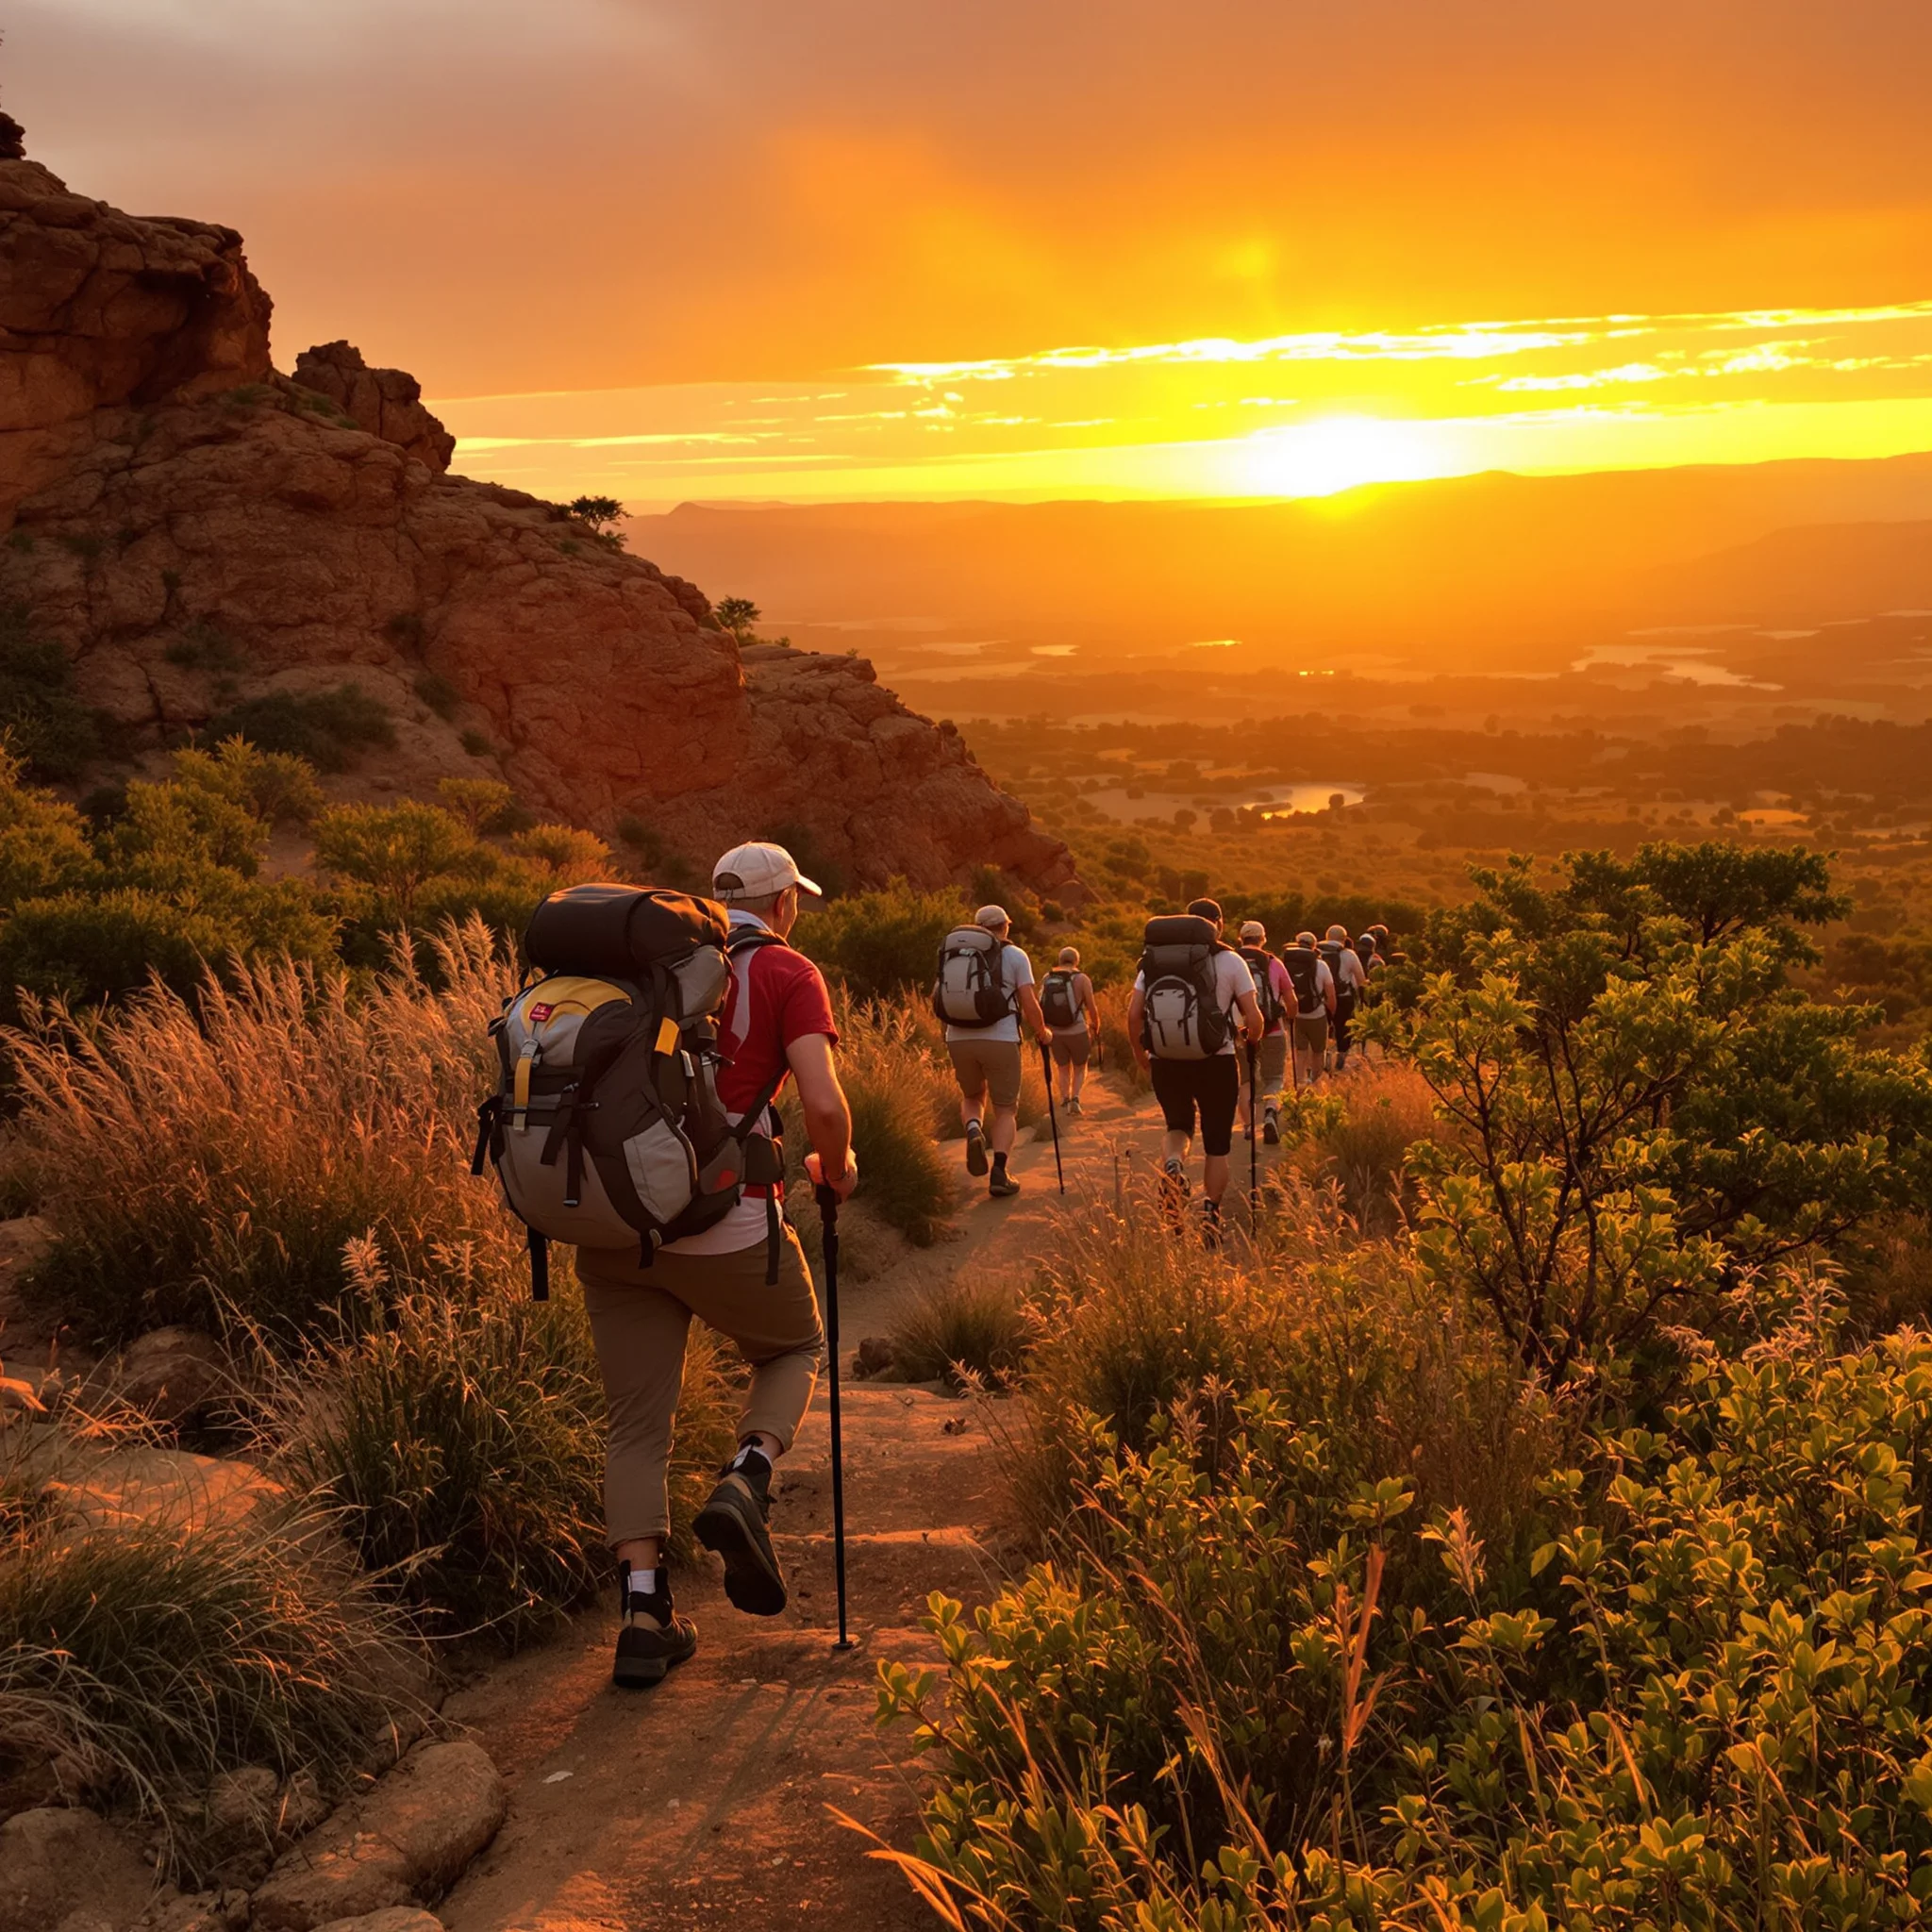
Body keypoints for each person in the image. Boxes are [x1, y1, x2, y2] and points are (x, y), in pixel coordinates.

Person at [575, 841, 858, 1690]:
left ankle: (643, 1614)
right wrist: (834, 1171)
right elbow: (821, 1102)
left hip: (613, 1225)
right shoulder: (787, 971)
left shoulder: (640, 964)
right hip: (727, 1223)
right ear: (781, 903)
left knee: (635, 1426)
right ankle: (746, 1477)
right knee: (793, 1350)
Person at [1128, 897, 1265, 1242]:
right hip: (1216, 1061)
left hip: (1166, 1059)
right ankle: (1210, 1214)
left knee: (1178, 1126)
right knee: (1217, 1143)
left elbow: (1133, 1015)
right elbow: (1254, 1017)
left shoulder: (1153, 961)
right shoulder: (1231, 960)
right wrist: (1250, 1040)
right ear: (1216, 924)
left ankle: (1174, 1163)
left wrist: (1141, 1053)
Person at [944, 905, 1049, 1200]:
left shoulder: (955, 953)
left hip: (958, 1037)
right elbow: (1029, 1003)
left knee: (972, 1096)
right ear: (1006, 926)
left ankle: (974, 1128)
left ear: (977, 926)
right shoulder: (1015, 955)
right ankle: (1000, 1173)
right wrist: (1042, 1033)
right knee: (1005, 1108)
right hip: (1000, 1038)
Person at [1234, 919, 1292, 1144]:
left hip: (1242, 1031)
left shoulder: (1232, 961)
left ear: (1241, 939)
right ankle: (1270, 1112)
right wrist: (1289, 1015)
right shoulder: (1273, 962)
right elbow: (1291, 1000)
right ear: (1263, 939)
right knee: (1275, 1077)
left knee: (1246, 1080)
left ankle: (1249, 1127)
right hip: (1272, 1028)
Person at [1040, 944, 1099, 1115]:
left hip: (1055, 1032)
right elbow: (1091, 1007)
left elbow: (1040, 1004)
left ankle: (1064, 1099)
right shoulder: (1082, 979)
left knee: (1062, 1067)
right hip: (1078, 1030)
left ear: (1059, 960)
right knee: (1080, 1066)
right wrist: (1096, 1025)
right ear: (1076, 961)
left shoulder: (1047, 978)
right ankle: (1075, 1098)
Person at [1283, 929, 1335, 1091]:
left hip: (1296, 1014)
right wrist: (1331, 1016)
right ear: (1314, 946)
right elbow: (1331, 995)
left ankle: (1299, 1084)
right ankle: (1315, 1085)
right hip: (1317, 1014)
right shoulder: (1321, 965)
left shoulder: (1287, 964)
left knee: (1301, 1051)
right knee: (1318, 1052)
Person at [1321, 923, 1370, 1072]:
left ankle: (1325, 1061)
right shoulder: (1349, 954)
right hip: (1343, 999)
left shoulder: (1317, 952)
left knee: (1324, 1031)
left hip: (1321, 999)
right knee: (1343, 1032)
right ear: (1344, 938)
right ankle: (1340, 1063)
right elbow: (1361, 980)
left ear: (1327, 937)